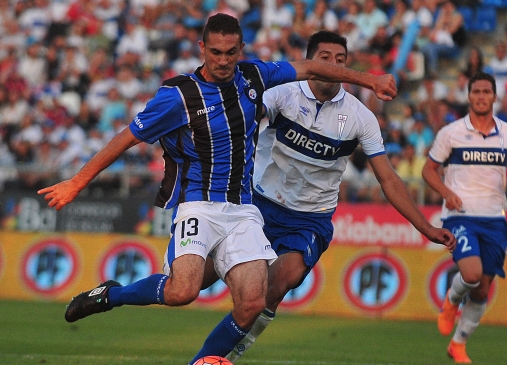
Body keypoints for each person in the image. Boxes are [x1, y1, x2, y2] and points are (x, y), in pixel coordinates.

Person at [37, 14, 398, 364]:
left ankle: (203, 362)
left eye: (230, 52)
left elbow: (312, 69)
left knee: (254, 303)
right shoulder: (178, 96)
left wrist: (369, 80)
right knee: (182, 291)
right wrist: (77, 182)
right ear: (202, 49)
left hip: (243, 208)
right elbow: (126, 139)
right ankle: (111, 295)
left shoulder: (255, 76)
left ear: (241, 49)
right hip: (198, 205)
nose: (223, 60)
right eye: (215, 52)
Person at [224, 30, 457, 363]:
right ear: (309, 62)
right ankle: (125, 295)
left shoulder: (361, 117)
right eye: (325, 58)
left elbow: (388, 179)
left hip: (310, 217)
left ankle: (224, 355)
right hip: (259, 204)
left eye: (341, 60)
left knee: (277, 286)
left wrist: (426, 227)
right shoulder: (282, 95)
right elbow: (239, 122)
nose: (334, 66)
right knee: (194, 283)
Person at [421, 72, 507, 363]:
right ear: (469, 96)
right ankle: (451, 301)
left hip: (495, 219)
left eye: (486, 92)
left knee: (482, 290)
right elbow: (428, 170)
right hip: (460, 216)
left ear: (494, 97)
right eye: (476, 92)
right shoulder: (451, 132)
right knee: (471, 274)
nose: (481, 97)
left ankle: (458, 344)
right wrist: (446, 192)